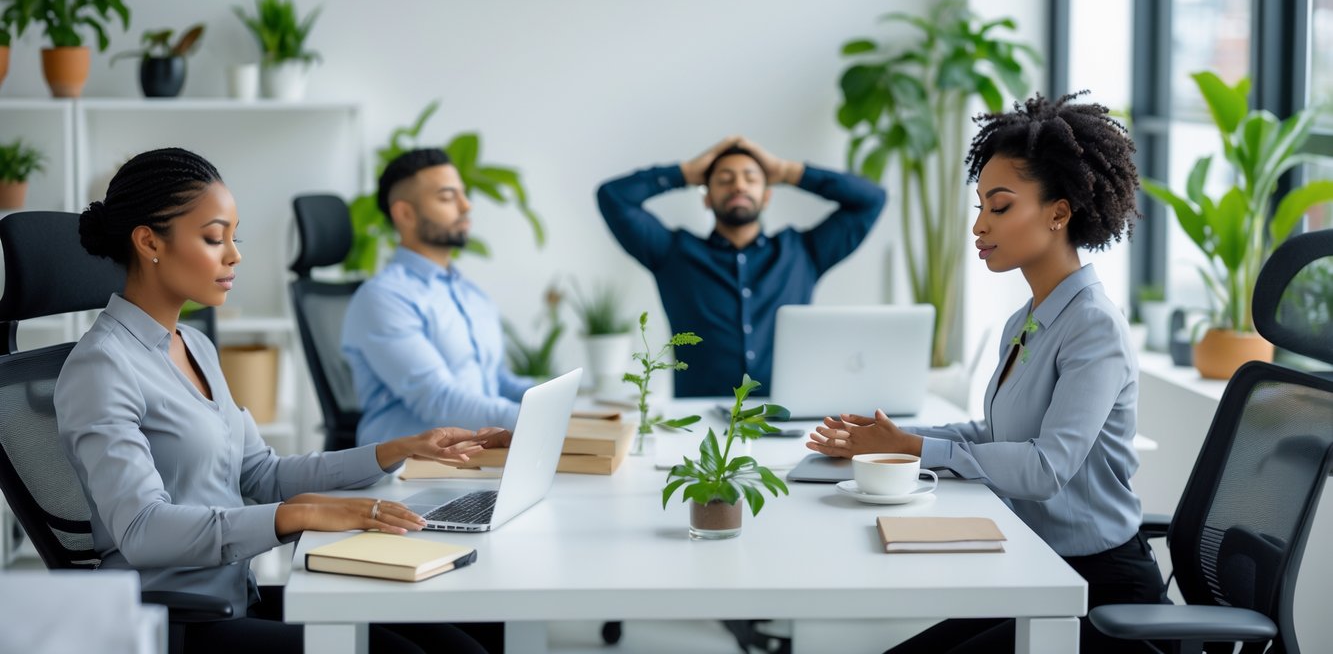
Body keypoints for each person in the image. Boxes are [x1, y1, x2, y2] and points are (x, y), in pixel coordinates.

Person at [55, 148, 509, 654]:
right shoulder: (101, 367)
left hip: (237, 596)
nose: (234, 254)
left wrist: (396, 449)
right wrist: (293, 516)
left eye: (234, 236)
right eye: (213, 237)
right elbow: (140, 529)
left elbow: (262, 473)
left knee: (459, 642)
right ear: (148, 241)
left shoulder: (196, 347)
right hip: (178, 620)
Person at [807, 94, 1167, 654]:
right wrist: (889, 444)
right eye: (979, 207)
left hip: (1101, 594)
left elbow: (1046, 467)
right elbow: (996, 435)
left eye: (999, 208)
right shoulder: (1027, 320)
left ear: (1058, 212)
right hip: (1037, 564)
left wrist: (915, 448)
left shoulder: (1094, 327)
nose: (979, 226)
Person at [596, 136, 886, 396]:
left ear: (767, 195)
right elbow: (613, 197)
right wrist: (686, 173)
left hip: (786, 419)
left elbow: (871, 200)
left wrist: (787, 172)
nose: (738, 185)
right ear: (707, 198)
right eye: (724, 179)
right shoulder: (672, 252)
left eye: (751, 178)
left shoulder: (804, 252)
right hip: (698, 424)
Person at [342, 148, 534, 444]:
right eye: (447, 198)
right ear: (405, 213)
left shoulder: (472, 295)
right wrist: (535, 420)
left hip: (476, 456)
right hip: (412, 471)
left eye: (463, 194)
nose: (466, 205)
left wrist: (569, 402)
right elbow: (438, 400)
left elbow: (496, 381)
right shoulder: (382, 298)